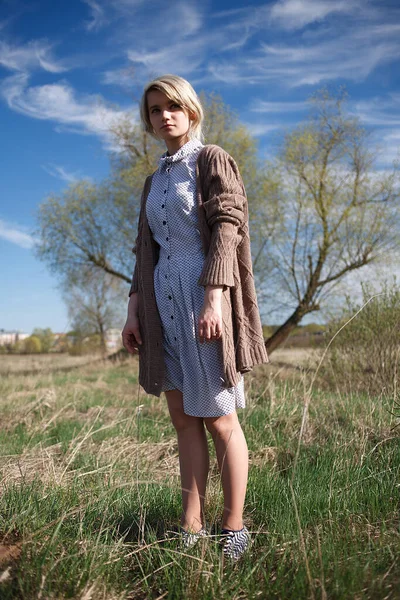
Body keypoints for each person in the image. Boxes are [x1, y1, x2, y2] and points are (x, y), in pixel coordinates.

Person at [122, 74, 268, 561]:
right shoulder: (153, 180)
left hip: (205, 294)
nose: (163, 115)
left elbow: (229, 225)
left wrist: (214, 297)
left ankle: (234, 526)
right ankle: (191, 524)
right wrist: (133, 309)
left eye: (172, 106)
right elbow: (145, 248)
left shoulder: (211, 160)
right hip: (163, 299)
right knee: (183, 417)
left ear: (190, 109)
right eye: (154, 109)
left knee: (221, 419)